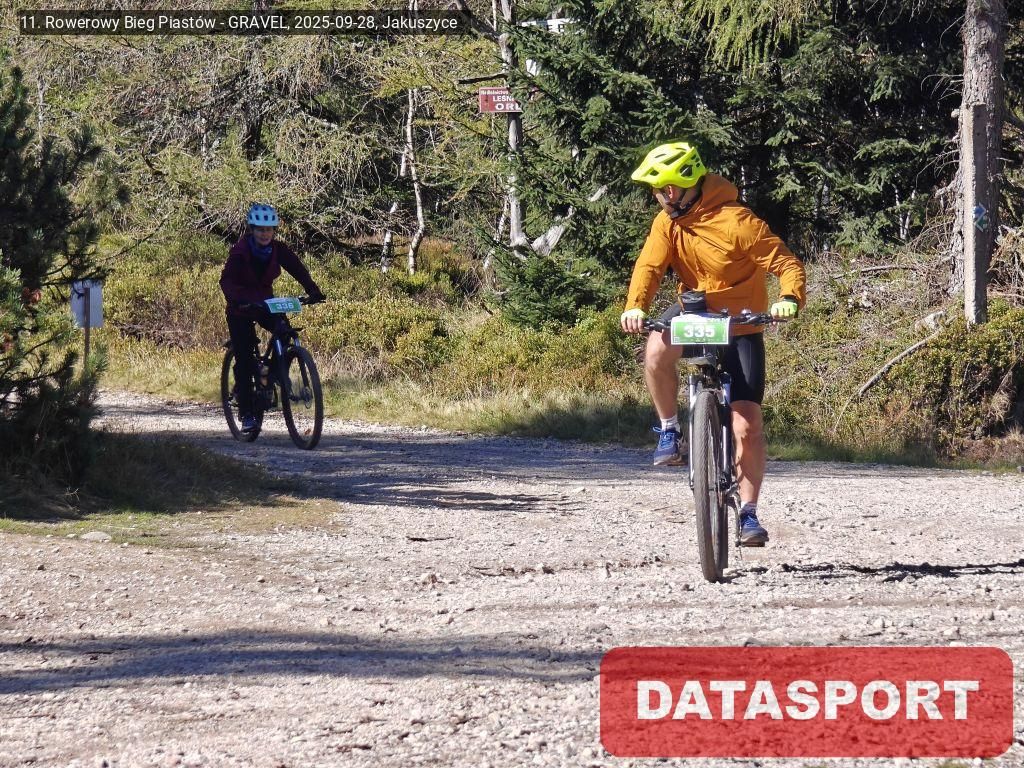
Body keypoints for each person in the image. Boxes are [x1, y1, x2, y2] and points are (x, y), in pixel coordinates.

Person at [620, 142, 806, 546]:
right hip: (697, 312)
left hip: (740, 323)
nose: (658, 197)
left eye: (661, 189)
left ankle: (749, 512)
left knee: (746, 425)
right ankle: (670, 430)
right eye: (656, 190)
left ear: (677, 189)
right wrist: (635, 306)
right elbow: (649, 267)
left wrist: (789, 298)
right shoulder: (667, 223)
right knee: (656, 349)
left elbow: (785, 263)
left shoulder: (737, 221)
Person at [220, 203, 325, 433]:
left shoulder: (278, 249)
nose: (265, 234)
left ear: (274, 231)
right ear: (252, 229)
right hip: (240, 308)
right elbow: (226, 280)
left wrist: (313, 290)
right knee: (245, 357)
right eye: (260, 229)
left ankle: (271, 375)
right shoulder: (240, 251)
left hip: (265, 303)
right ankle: (247, 414)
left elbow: (297, 269)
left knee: (284, 331)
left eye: (268, 230)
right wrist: (237, 299)